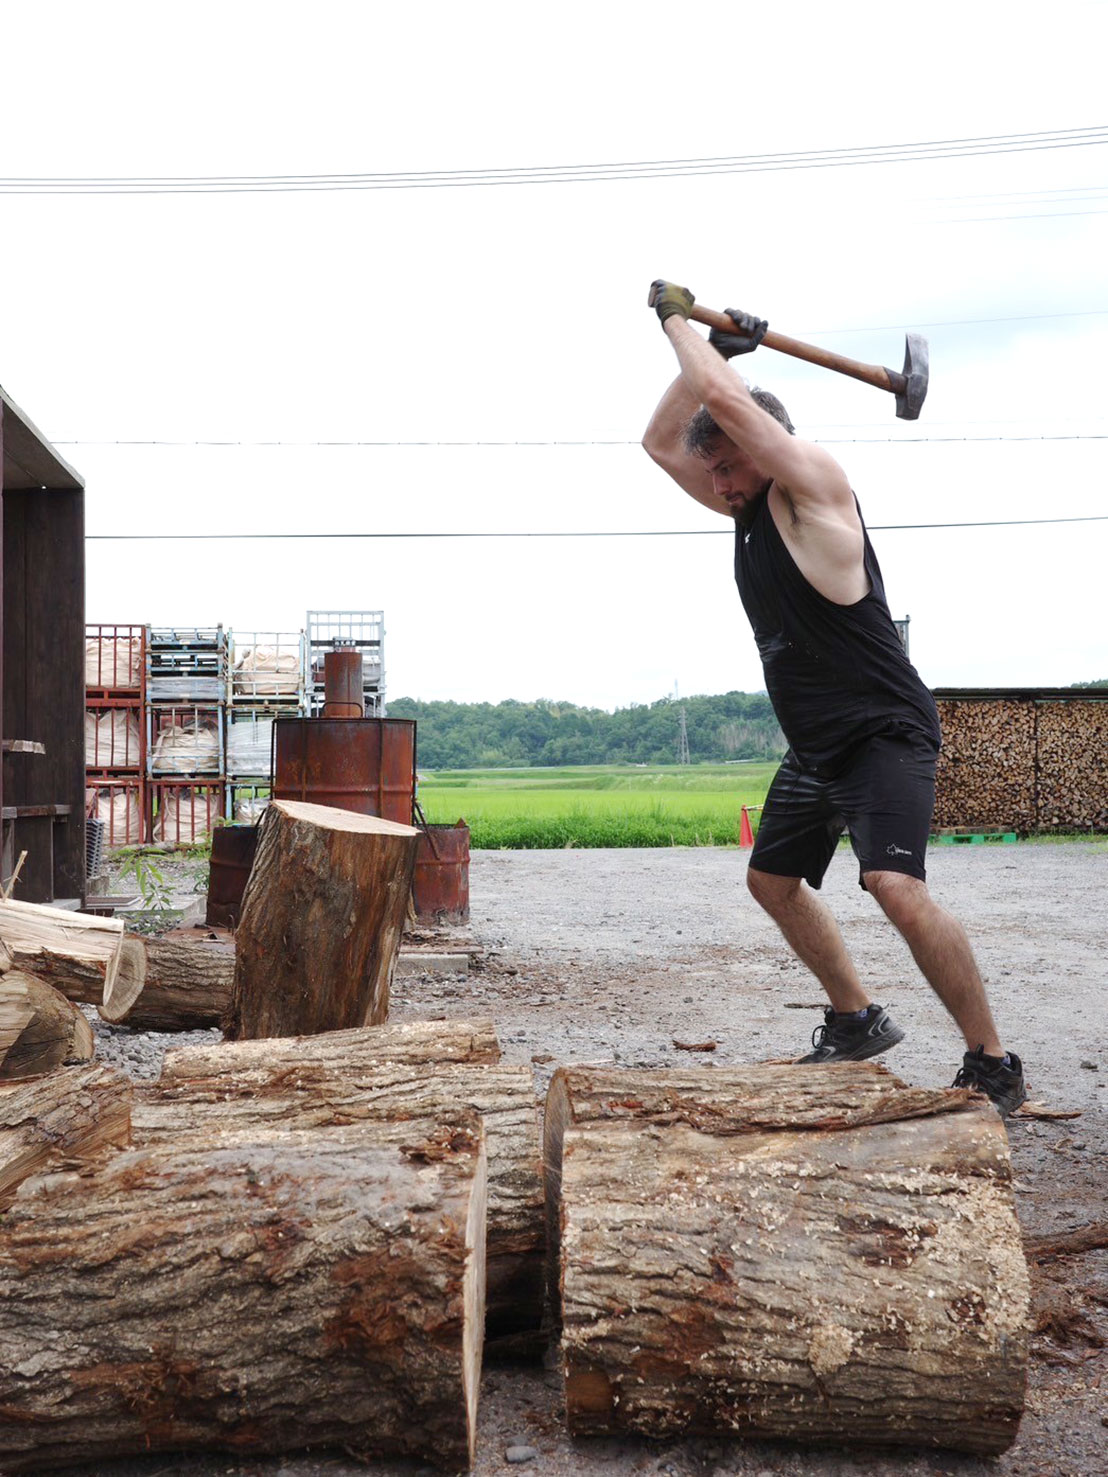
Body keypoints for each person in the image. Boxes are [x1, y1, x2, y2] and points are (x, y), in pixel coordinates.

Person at [642, 279, 1027, 1117]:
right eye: (713, 469)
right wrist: (721, 349)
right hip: (818, 744)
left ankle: (993, 1060)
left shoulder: (813, 487)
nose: (717, 481)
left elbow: (718, 400)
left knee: (893, 885)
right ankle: (855, 1020)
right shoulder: (742, 503)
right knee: (772, 878)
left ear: (766, 441)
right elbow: (659, 441)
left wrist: (680, 325)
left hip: (884, 731)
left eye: (729, 462)